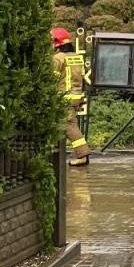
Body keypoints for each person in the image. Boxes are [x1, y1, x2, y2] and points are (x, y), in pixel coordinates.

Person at [51, 28, 90, 166]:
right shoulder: (77, 57)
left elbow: (52, 79)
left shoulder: (57, 58)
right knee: (64, 124)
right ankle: (55, 152)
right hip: (76, 96)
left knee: (69, 126)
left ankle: (82, 155)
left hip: (63, 97)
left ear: (57, 43)